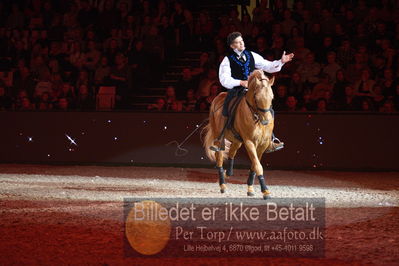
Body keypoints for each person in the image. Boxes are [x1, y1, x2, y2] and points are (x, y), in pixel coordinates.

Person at [211, 32, 294, 152]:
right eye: (238, 42)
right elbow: (224, 79)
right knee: (226, 108)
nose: (241, 43)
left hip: (253, 91)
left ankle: (271, 139)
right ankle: (220, 139)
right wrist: (240, 82)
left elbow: (268, 66)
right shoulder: (227, 60)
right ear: (232, 46)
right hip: (236, 90)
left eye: (242, 41)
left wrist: (281, 61)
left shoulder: (251, 55)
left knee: (268, 108)